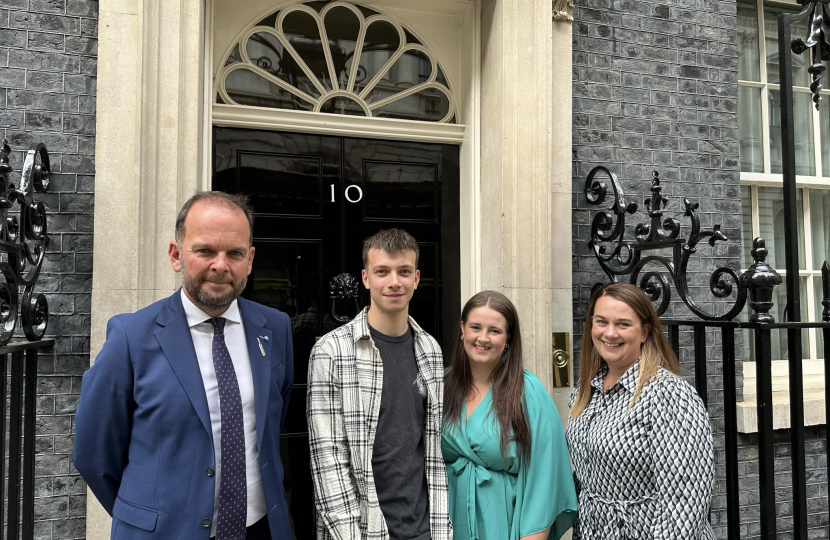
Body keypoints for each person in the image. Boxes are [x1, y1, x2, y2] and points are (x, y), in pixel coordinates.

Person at [73, 192, 293, 540]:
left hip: (260, 529)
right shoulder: (131, 336)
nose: (221, 265)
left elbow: (270, 424)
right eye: (205, 251)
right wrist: (146, 514)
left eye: (235, 253)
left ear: (249, 260)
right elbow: (93, 454)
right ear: (177, 255)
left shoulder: (275, 328)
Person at [307, 228, 451, 540]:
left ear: (416, 278)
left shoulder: (431, 350)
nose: (394, 281)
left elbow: (433, 450)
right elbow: (328, 461)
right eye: (382, 271)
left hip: (426, 529)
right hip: (363, 530)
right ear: (366, 278)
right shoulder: (331, 351)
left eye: (404, 271)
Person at [566, 283, 714, 539]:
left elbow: (685, 503)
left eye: (623, 324)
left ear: (645, 332)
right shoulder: (586, 389)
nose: (609, 333)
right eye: (601, 321)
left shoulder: (668, 394)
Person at [442, 291, 578, 540]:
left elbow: (543, 481)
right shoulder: (440, 386)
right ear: (462, 329)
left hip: (504, 527)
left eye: (494, 330)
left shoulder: (529, 392)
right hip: (446, 525)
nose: (483, 338)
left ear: (508, 338)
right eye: (475, 327)